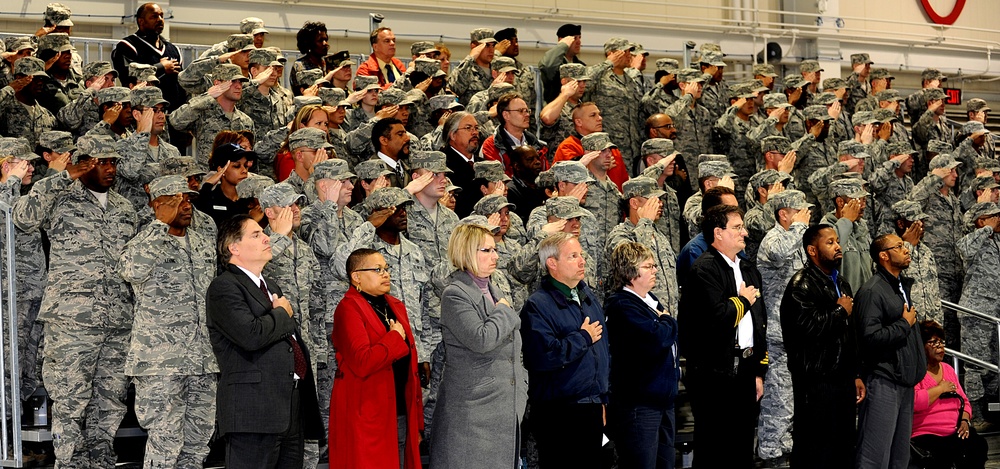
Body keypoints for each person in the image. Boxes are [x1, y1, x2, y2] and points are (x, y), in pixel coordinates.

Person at [12, 135, 138, 467]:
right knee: (70, 403)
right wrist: (64, 176)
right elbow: (23, 217)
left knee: (110, 403)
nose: (109, 169)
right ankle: (69, 463)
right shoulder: (60, 197)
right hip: (72, 321)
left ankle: (101, 461)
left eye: (113, 162)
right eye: (100, 162)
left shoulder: (125, 208)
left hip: (118, 321)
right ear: (82, 165)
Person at [207, 214, 323, 468]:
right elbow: (251, 335)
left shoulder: (271, 286)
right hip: (253, 412)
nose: (266, 238)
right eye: (256, 234)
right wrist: (281, 313)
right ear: (234, 247)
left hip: (290, 406)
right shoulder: (224, 287)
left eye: (263, 233)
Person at [118, 175, 218, 468]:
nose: (185, 206)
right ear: (157, 205)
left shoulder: (203, 243)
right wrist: (159, 225)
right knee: (165, 442)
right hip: (161, 361)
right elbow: (131, 271)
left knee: (198, 443)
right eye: (176, 201)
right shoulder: (143, 242)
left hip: (202, 361)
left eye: (188, 199)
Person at [430, 224, 527, 468]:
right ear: (467, 252)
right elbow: (481, 339)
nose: (496, 256)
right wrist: (504, 311)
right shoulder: (455, 294)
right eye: (487, 250)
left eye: (495, 249)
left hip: (502, 409)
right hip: (473, 414)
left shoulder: (495, 291)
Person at [677, 204, 766, 469]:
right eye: (737, 228)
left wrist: (759, 370)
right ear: (718, 233)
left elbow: (759, 324)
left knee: (741, 448)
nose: (745, 233)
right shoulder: (704, 270)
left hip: (745, 370)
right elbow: (716, 319)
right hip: (714, 375)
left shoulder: (749, 269)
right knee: (715, 449)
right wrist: (742, 301)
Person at [520, 232, 610, 468]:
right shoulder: (537, 306)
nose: (582, 261)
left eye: (581, 255)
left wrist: (601, 399)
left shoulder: (587, 295)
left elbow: (602, 353)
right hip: (559, 414)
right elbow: (543, 357)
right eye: (573, 256)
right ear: (552, 263)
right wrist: (582, 338)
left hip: (590, 408)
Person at [330, 248, 424, 469]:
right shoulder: (348, 309)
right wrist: (393, 338)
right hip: (367, 415)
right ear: (356, 277)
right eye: (377, 269)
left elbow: (410, 366)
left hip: (400, 410)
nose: (386, 274)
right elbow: (363, 362)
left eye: (386, 268)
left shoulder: (395, 305)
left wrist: (416, 420)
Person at [781, 224, 864, 469]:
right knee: (816, 450)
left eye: (837, 241)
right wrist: (839, 311)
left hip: (842, 379)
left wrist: (856, 374)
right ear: (812, 250)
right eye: (829, 242)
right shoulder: (801, 285)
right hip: (816, 382)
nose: (838, 246)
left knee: (844, 447)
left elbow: (850, 335)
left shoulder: (843, 283)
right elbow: (806, 330)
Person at [605, 242, 679, 469]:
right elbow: (658, 338)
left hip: (663, 400)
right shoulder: (622, 305)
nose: (655, 270)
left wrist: (665, 322)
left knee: (664, 463)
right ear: (630, 273)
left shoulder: (650, 299)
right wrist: (667, 319)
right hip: (640, 405)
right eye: (648, 266)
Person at [855, 233, 926, 469]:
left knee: (899, 457)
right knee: (875, 457)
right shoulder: (872, 291)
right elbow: (869, 338)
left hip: (904, 381)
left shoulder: (899, 285)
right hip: (884, 379)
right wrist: (903, 325)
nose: (906, 249)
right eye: (898, 246)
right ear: (884, 256)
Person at [911, 319, 988, 469]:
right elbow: (915, 403)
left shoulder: (948, 369)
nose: (940, 346)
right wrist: (940, 389)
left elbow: (964, 402)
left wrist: (965, 421)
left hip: (954, 431)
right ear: (921, 346)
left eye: (941, 342)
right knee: (946, 454)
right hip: (927, 434)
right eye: (933, 342)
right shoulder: (916, 372)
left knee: (978, 445)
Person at [110, 3, 184, 113]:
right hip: (143, 112)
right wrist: (161, 68)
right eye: (154, 16)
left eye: (161, 16)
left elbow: (182, 86)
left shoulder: (173, 50)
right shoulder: (127, 46)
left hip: (172, 114)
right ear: (141, 21)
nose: (160, 20)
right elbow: (129, 79)